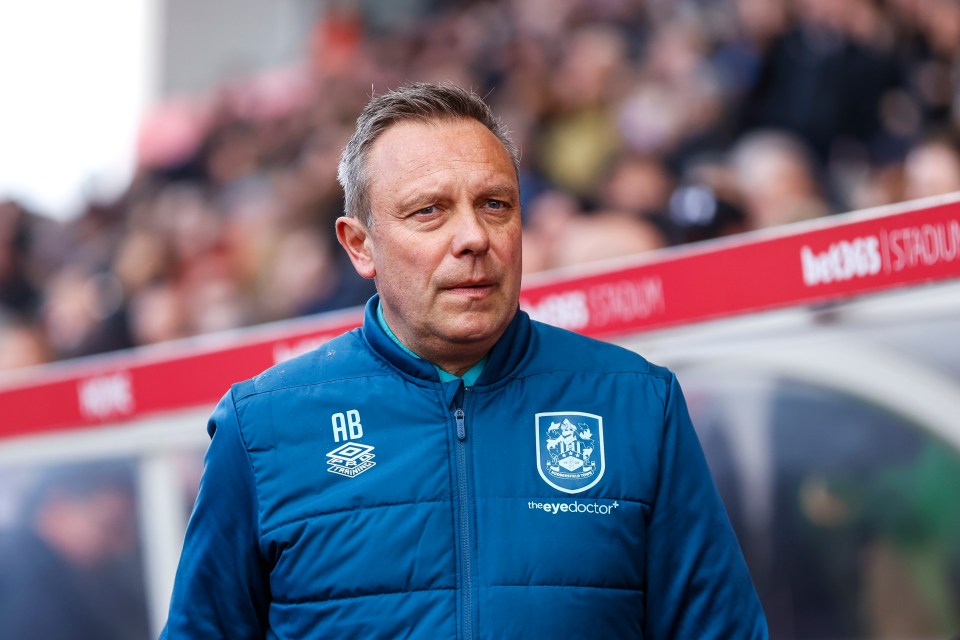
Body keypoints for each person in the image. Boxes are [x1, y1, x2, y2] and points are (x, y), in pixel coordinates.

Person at [160, 82, 768, 638]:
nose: (474, 236)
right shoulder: (262, 427)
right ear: (359, 245)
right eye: (429, 211)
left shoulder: (637, 403)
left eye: (496, 205)